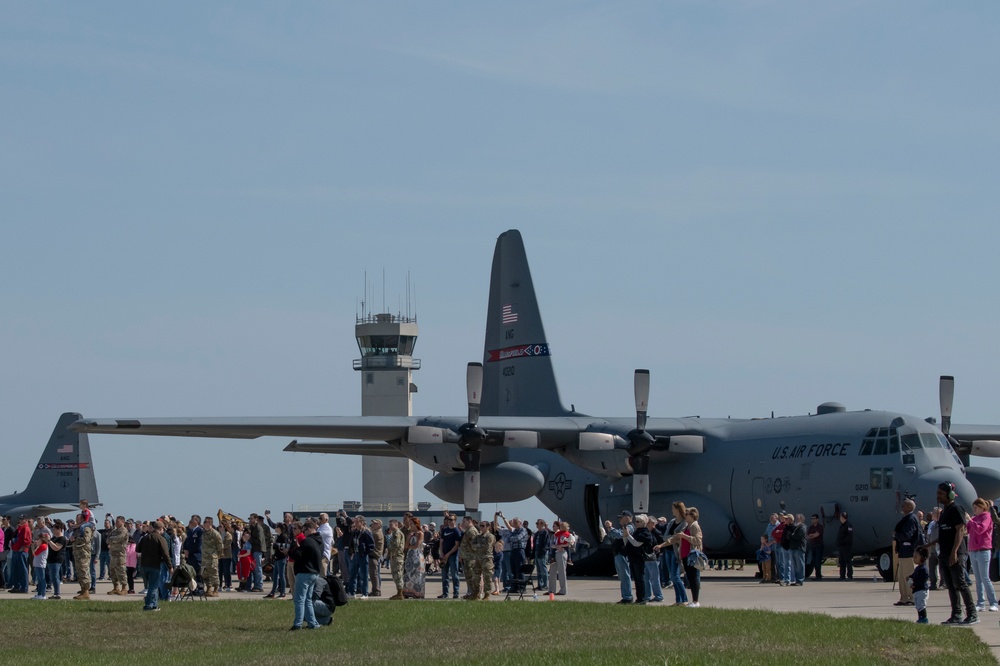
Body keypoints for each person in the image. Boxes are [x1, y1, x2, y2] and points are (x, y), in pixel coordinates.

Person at [930, 482, 977, 626]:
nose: (938, 496)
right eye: (938, 493)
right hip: (944, 553)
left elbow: (960, 531)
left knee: (960, 584)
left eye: (941, 494)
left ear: (950, 495)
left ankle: (972, 614)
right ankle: (956, 614)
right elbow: (944, 535)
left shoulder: (957, 509)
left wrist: (954, 552)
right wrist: (927, 545)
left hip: (955, 553)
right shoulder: (944, 512)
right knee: (950, 586)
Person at [289, 519, 323, 630]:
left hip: (304, 572)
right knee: (308, 599)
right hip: (314, 573)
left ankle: (297, 624)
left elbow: (296, 555)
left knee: (299, 599)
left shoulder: (307, 541)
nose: (303, 533)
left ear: (308, 529)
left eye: (304, 531)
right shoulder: (319, 541)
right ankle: (312, 623)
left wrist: (290, 550)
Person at [966, 498, 999, 612]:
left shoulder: (986, 516)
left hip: (983, 550)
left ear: (982, 507)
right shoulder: (975, 518)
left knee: (985, 577)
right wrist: (967, 522)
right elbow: (967, 531)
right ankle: (980, 602)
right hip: (973, 550)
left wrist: (970, 521)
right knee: (978, 579)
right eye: (973, 508)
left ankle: (993, 602)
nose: (974, 510)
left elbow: (980, 529)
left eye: (976, 507)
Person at [656, 502, 688, 605]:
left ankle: (684, 599)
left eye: (673, 508)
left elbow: (678, 537)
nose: (672, 510)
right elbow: (665, 536)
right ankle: (678, 600)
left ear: (678, 509)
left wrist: (673, 538)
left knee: (676, 576)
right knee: (673, 577)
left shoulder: (684, 523)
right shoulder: (672, 522)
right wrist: (672, 537)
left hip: (676, 551)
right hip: (668, 550)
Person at [137, 520, 173, 611]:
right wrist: (170, 566)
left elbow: (138, 549)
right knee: (153, 586)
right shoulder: (161, 539)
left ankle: (154, 605)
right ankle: (149, 605)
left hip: (144, 565)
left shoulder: (145, 537)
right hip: (154, 565)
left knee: (151, 586)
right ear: (161, 529)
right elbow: (166, 554)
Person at [672, 507, 704, 608]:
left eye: (687, 514)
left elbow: (698, 540)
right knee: (690, 578)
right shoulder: (687, 526)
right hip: (685, 555)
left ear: (692, 516)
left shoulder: (695, 526)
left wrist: (684, 536)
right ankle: (693, 600)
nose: (685, 516)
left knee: (694, 578)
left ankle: (696, 601)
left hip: (692, 556)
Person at [893, 499, 920, 606]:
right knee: (902, 577)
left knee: (909, 575)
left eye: (904, 506)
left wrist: (897, 535)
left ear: (909, 507)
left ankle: (912, 597)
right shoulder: (906, 519)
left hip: (909, 552)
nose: (902, 507)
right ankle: (904, 597)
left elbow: (908, 535)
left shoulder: (911, 519)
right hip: (903, 552)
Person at [623, 514, 654, 604]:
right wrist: (625, 536)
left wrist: (628, 535)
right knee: (636, 579)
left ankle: (642, 598)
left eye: (638, 521)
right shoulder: (636, 532)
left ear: (643, 523)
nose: (636, 523)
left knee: (640, 578)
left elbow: (636, 543)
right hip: (632, 557)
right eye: (636, 521)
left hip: (639, 558)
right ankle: (639, 598)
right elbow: (628, 543)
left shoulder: (645, 533)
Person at [610, 510, 635, 604]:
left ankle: (628, 597)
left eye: (622, 517)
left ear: (627, 518)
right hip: (618, 553)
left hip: (623, 554)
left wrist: (610, 528)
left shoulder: (630, 527)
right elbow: (613, 535)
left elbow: (619, 535)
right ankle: (625, 596)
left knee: (625, 576)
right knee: (622, 576)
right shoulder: (624, 527)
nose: (620, 520)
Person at [437, 515, 462, 599]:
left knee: (454, 575)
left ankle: (456, 593)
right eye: (448, 520)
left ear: (455, 520)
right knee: (444, 575)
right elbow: (441, 542)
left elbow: (457, 545)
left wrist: (448, 554)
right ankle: (445, 593)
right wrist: (441, 553)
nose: (449, 521)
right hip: (444, 555)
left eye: (451, 520)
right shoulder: (444, 530)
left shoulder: (456, 531)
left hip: (453, 555)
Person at [72, 512, 94, 600]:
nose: (76, 520)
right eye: (76, 519)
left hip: (83, 553)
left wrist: (75, 539)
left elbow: (86, 539)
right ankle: (83, 590)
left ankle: (86, 592)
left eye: (78, 519)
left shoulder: (86, 528)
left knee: (84, 571)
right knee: (79, 572)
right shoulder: (77, 529)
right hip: (78, 554)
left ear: (83, 519)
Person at [201, 516, 224, 598]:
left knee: (214, 574)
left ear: (210, 523)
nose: (203, 523)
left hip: (212, 557)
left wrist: (220, 554)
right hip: (204, 558)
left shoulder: (215, 533)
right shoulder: (203, 533)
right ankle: (208, 589)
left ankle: (216, 590)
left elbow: (220, 545)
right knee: (205, 574)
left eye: (205, 522)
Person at [106, 515, 129, 596]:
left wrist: (112, 540)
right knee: (112, 571)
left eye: (117, 522)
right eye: (115, 521)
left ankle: (124, 588)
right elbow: (107, 540)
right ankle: (116, 587)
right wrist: (112, 540)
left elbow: (119, 538)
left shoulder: (124, 530)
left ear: (122, 522)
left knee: (121, 571)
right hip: (113, 554)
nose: (116, 523)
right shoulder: (114, 531)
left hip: (120, 554)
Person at [473, 519, 496, 600]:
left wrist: (478, 546)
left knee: (487, 577)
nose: (481, 527)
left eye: (483, 526)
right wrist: (479, 545)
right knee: (476, 577)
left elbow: (487, 547)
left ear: (488, 527)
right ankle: (476, 593)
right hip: (478, 559)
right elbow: (473, 546)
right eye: (480, 526)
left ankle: (487, 594)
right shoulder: (478, 536)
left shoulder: (490, 536)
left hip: (486, 559)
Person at [403, 517, 425, 599]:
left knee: (418, 574)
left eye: (411, 523)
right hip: (410, 555)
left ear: (416, 524)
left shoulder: (420, 533)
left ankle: (418, 592)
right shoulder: (410, 533)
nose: (410, 525)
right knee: (409, 573)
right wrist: (409, 537)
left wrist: (409, 546)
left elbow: (417, 545)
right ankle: (408, 591)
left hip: (417, 555)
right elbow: (406, 546)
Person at [458, 516, 480, 600]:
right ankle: (471, 593)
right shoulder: (468, 531)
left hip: (471, 558)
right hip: (467, 557)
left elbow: (475, 546)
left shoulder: (472, 531)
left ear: (469, 522)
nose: (462, 524)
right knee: (468, 577)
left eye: (464, 522)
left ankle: (475, 594)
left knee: (471, 577)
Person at [909, 546, 931, 624]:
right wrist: (910, 577)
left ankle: (924, 618)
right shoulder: (918, 568)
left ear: (922, 558)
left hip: (922, 590)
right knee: (918, 605)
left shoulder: (923, 569)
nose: (914, 558)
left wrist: (914, 584)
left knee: (921, 605)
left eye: (916, 557)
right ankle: (920, 618)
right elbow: (914, 575)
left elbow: (922, 580)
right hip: (917, 591)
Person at [549, 521, 571, 597]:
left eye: (554, 526)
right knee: (552, 572)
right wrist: (556, 546)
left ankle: (563, 590)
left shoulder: (565, 534)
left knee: (561, 572)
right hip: (554, 554)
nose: (553, 527)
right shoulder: (554, 535)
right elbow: (552, 544)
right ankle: (551, 590)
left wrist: (561, 546)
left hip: (561, 552)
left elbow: (570, 542)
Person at [386, 519, 405, 600]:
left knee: (397, 574)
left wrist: (390, 550)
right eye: (389, 525)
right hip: (394, 556)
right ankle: (399, 592)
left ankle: (400, 593)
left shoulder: (397, 533)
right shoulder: (394, 533)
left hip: (397, 556)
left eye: (391, 525)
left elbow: (396, 545)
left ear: (396, 525)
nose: (390, 527)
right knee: (395, 574)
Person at [47, 520, 67, 599]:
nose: (53, 531)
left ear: (59, 529)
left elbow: (56, 548)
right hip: (51, 559)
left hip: (57, 560)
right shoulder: (54, 538)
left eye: (55, 529)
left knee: (55, 576)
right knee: (53, 576)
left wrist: (49, 541)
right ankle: (56, 592)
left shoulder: (62, 539)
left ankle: (57, 593)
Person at [533, 519, 551, 592]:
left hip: (542, 553)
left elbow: (546, 543)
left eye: (538, 523)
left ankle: (545, 585)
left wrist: (543, 551)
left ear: (542, 524)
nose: (537, 525)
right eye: (536, 523)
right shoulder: (537, 533)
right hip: (537, 552)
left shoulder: (545, 532)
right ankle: (540, 585)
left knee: (543, 569)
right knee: (539, 570)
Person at [789, 514, 807, 586]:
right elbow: (789, 535)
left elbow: (797, 536)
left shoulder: (803, 527)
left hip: (799, 548)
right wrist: (791, 535)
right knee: (794, 565)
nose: (796, 519)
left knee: (799, 565)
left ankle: (800, 580)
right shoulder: (795, 527)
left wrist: (791, 535)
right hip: (793, 547)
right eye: (796, 518)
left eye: (798, 518)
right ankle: (796, 580)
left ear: (802, 519)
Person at [804, 514, 824, 580]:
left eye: (814, 518)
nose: (813, 520)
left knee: (818, 561)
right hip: (813, 546)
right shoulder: (811, 527)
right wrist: (813, 535)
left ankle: (818, 576)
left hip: (819, 546)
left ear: (817, 519)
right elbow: (807, 536)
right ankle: (817, 575)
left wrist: (811, 535)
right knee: (815, 561)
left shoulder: (820, 527)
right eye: (812, 519)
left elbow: (817, 535)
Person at [368, 519, 384, 597]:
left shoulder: (376, 533)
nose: (372, 525)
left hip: (374, 555)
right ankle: (375, 590)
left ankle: (376, 590)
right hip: (375, 555)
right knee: (374, 574)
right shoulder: (377, 532)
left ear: (379, 525)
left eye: (375, 523)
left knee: (374, 574)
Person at [836, 512, 854, 580]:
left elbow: (849, 537)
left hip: (846, 546)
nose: (840, 518)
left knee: (848, 561)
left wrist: (843, 542)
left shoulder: (848, 526)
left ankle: (849, 575)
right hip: (841, 546)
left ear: (843, 517)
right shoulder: (841, 526)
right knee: (842, 561)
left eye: (841, 517)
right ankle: (842, 576)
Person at [31, 532, 49, 599]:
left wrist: (34, 547)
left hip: (40, 565)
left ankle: (43, 594)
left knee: (42, 580)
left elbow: (35, 553)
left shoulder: (43, 546)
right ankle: (39, 594)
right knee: (39, 580)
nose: (37, 540)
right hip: (38, 564)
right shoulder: (41, 546)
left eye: (38, 539)